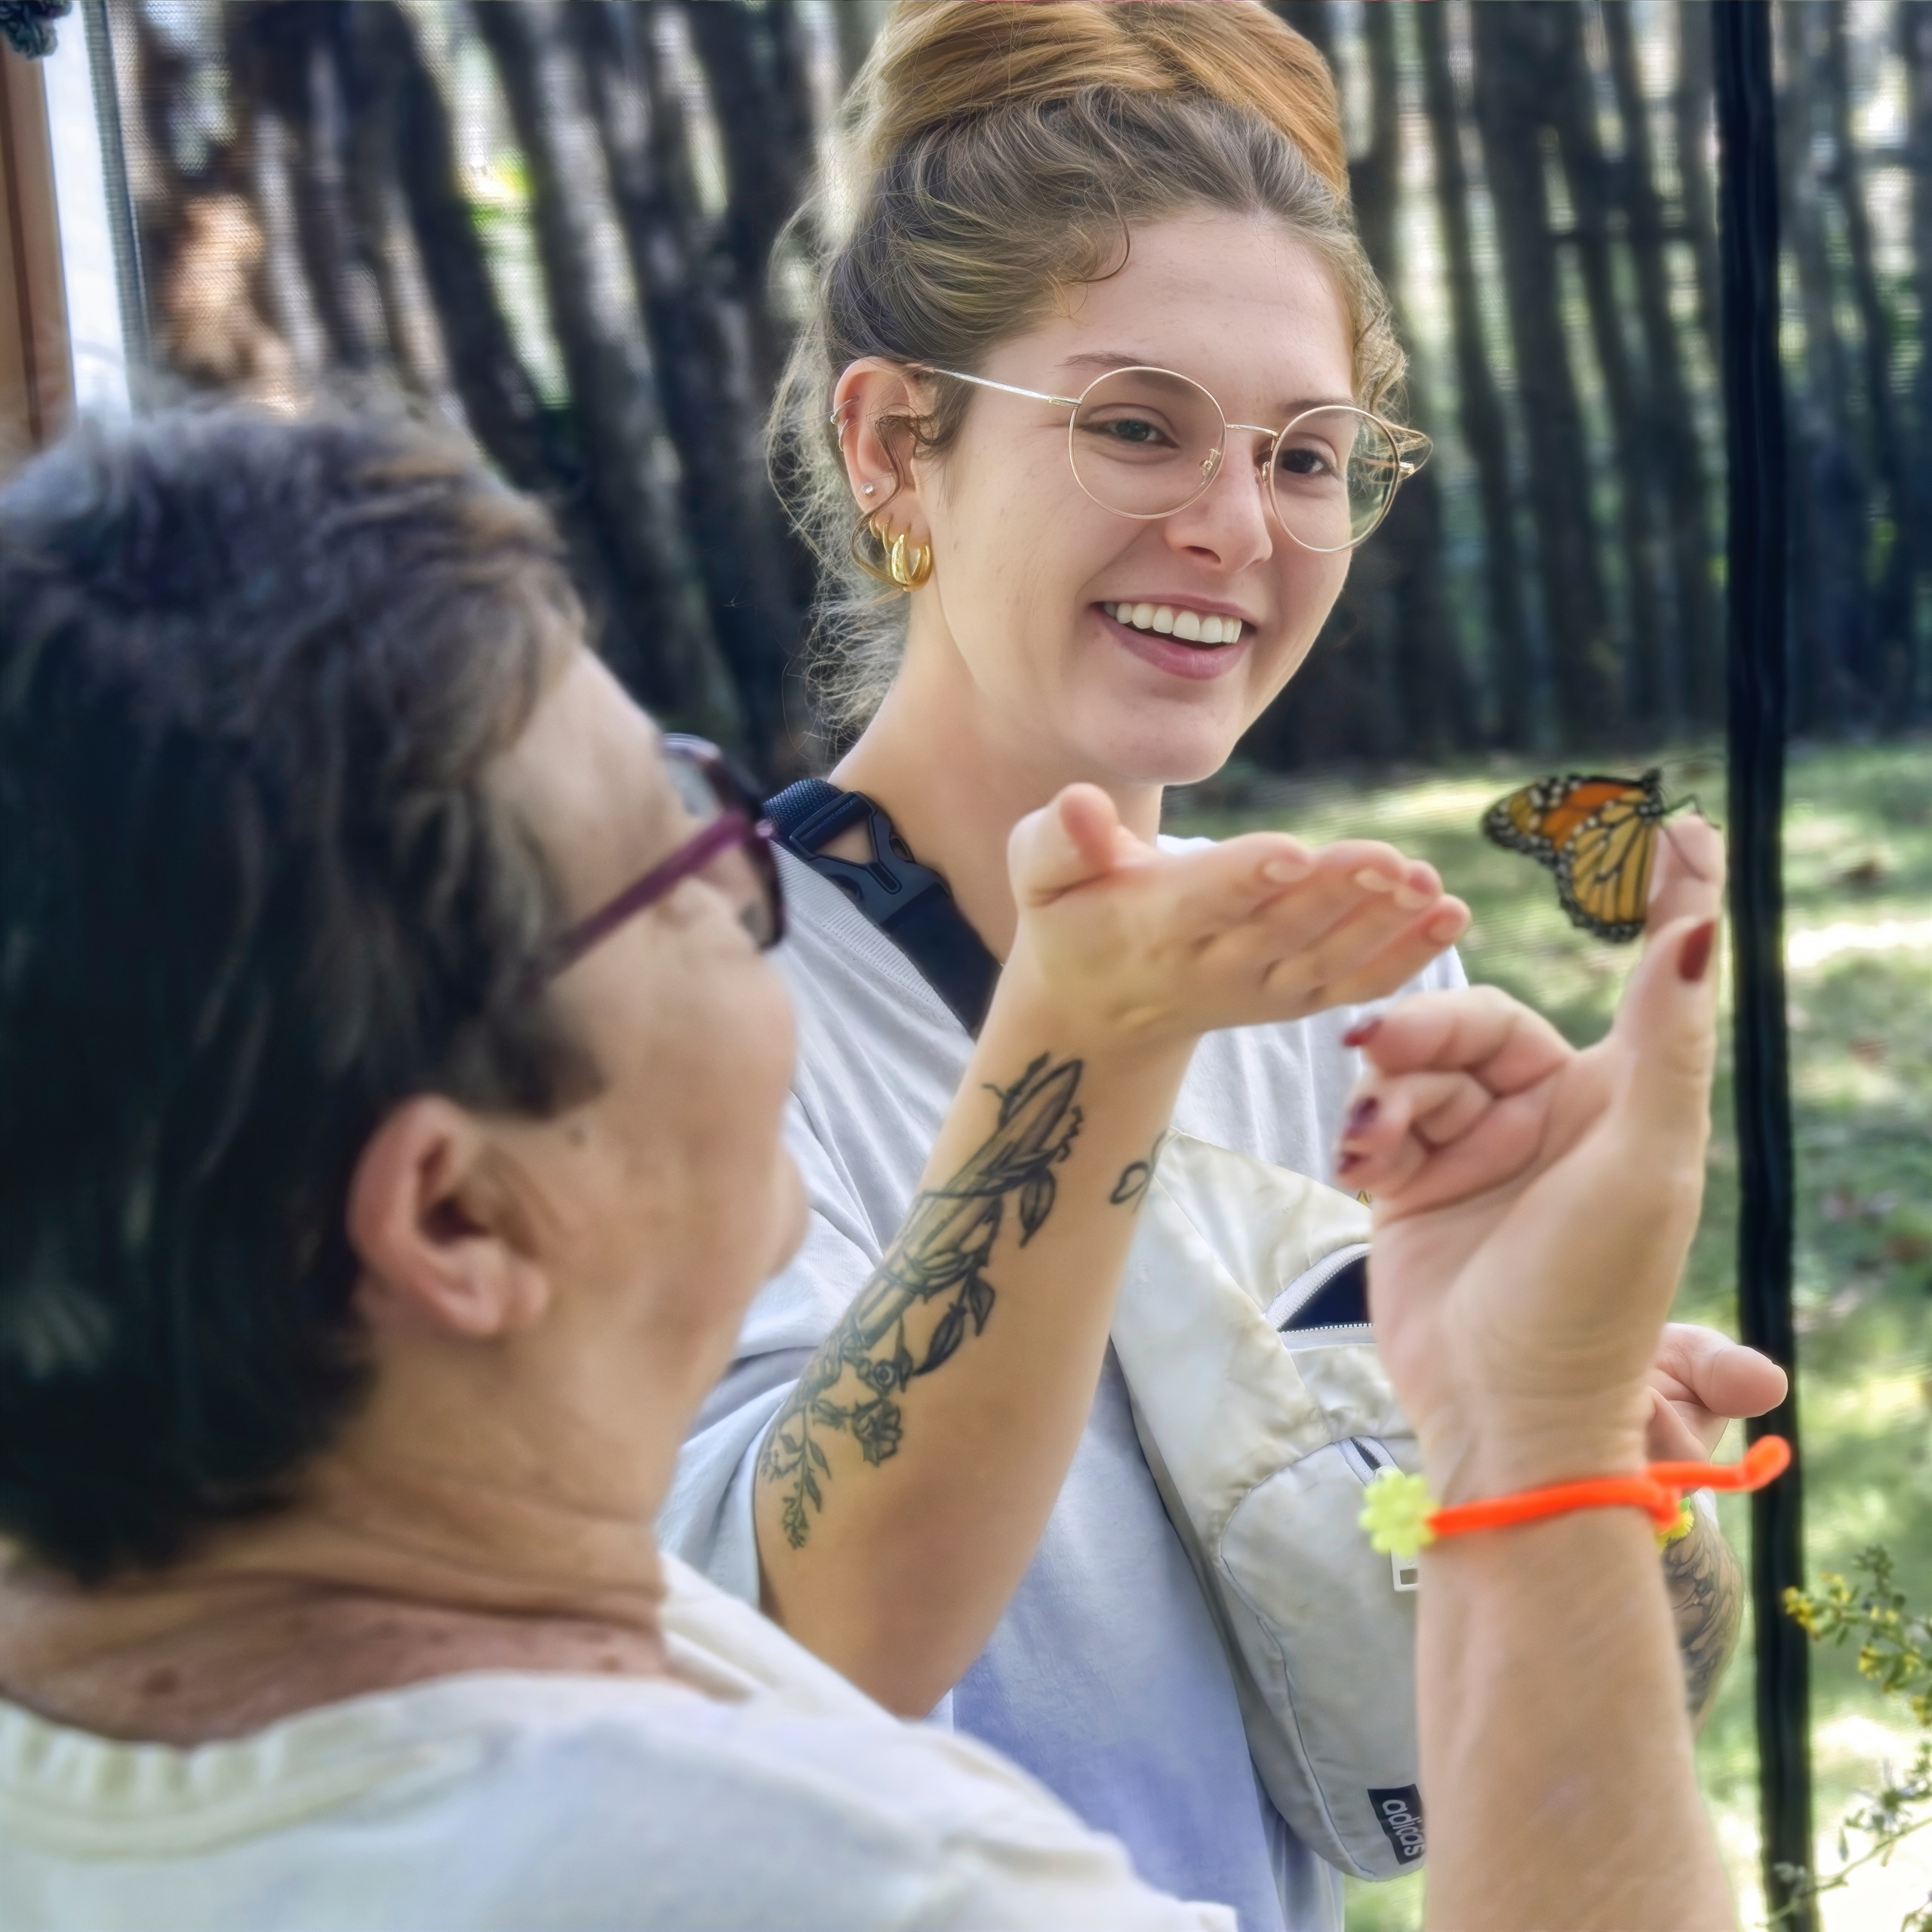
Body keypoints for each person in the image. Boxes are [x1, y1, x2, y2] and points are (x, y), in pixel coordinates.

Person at [0, 403, 1739, 1932]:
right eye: (682, 851)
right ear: (457, 1214)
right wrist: (1538, 1443)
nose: (751, 868)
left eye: (1306, 454)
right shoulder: (863, 1887)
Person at [664, 8, 1785, 1926]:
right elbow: (817, 1654)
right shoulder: (680, 1017)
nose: (1233, 523)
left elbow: (1521, 1738)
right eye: (1131, 422)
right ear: (891, 444)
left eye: (1306, 454)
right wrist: (1090, 1038)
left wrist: (1577, 1432)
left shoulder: (1345, 1023)